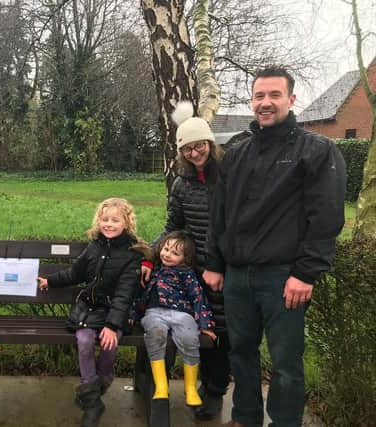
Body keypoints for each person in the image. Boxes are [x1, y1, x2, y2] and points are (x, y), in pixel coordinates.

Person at [203, 66, 347, 427]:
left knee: (285, 362)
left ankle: (284, 422)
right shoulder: (236, 153)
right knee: (241, 353)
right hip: (237, 277)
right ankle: (245, 417)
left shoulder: (316, 151)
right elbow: (218, 215)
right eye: (259, 96)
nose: (265, 103)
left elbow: (326, 218)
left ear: (291, 100)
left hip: (284, 279)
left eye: (274, 95)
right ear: (252, 101)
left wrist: (305, 273)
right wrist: (214, 263)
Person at [147, 100, 231, 420]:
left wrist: (219, 265)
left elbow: (236, 225)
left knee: (222, 333)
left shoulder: (228, 178)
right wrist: (149, 256)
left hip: (225, 269)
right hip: (195, 270)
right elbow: (174, 227)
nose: (195, 154)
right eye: (187, 149)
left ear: (209, 144)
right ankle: (200, 384)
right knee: (199, 328)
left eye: (199, 146)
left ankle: (215, 390)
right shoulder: (182, 184)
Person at [37, 198, 150, 427]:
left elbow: (124, 295)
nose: (109, 224)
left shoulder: (132, 255)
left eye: (115, 220)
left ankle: (103, 379)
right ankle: (92, 401)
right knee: (84, 339)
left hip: (115, 313)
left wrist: (112, 325)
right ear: (98, 221)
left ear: (126, 223)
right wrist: (50, 281)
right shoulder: (94, 247)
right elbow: (74, 274)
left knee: (110, 342)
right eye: (104, 219)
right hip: (88, 310)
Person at [133, 231, 216, 424]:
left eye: (174, 253)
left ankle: (190, 387)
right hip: (154, 313)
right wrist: (131, 316)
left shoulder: (187, 275)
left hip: (182, 314)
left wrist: (205, 324)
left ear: (185, 259)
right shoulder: (153, 270)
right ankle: (161, 386)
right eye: (166, 249)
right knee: (155, 334)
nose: (167, 254)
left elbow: (198, 298)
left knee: (189, 337)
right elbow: (140, 296)